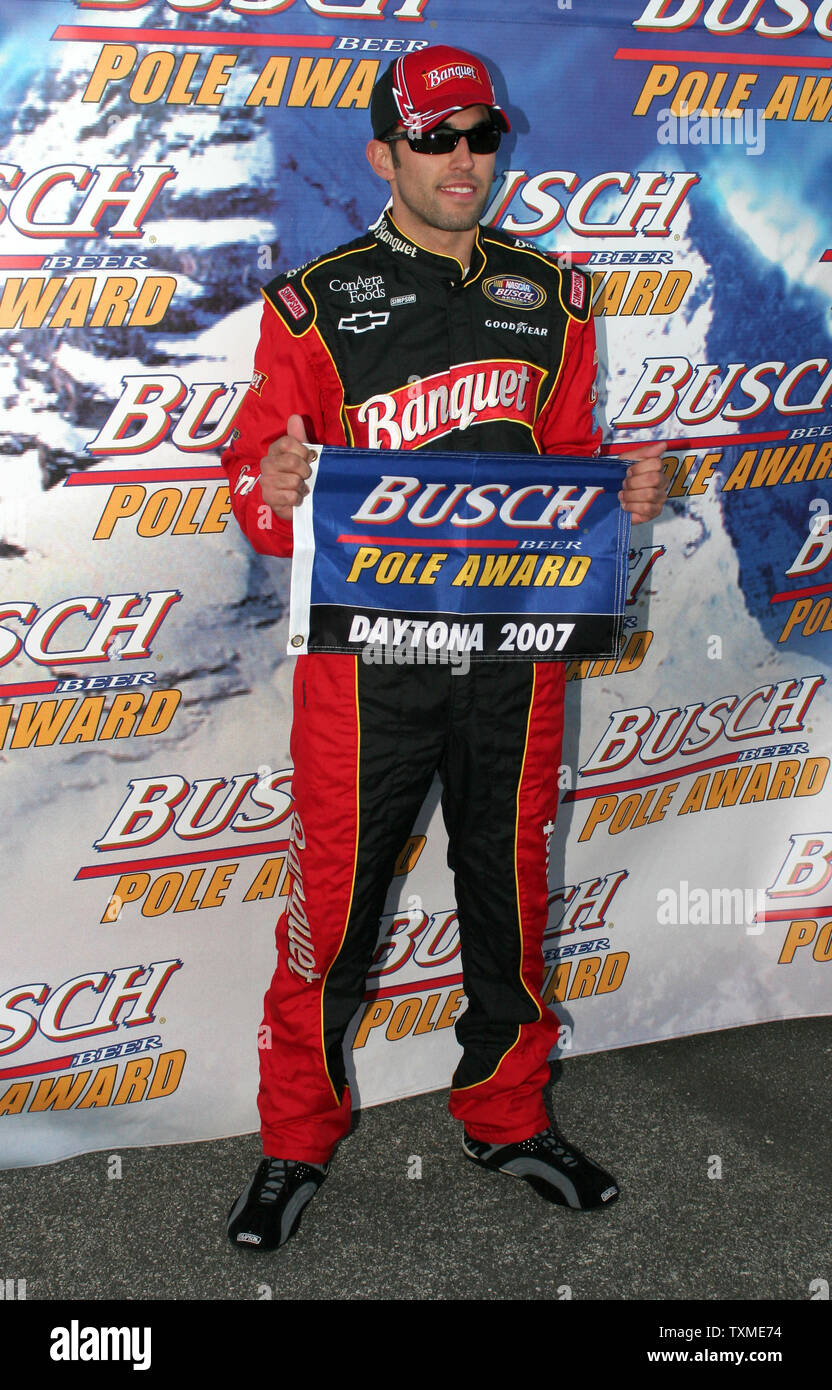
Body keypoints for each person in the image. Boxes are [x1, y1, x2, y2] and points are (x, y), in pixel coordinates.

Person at [223, 45, 667, 1251]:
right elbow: (264, 510)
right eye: (435, 138)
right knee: (334, 911)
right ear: (385, 154)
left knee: (507, 896)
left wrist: (617, 499)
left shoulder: (556, 297)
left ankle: (508, 1113)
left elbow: (572, 461)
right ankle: (294, 1140)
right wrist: (269, 486)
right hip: (363, 670)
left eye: (480, 136)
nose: (462, 158)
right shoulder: (316, 304)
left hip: (511, 658)